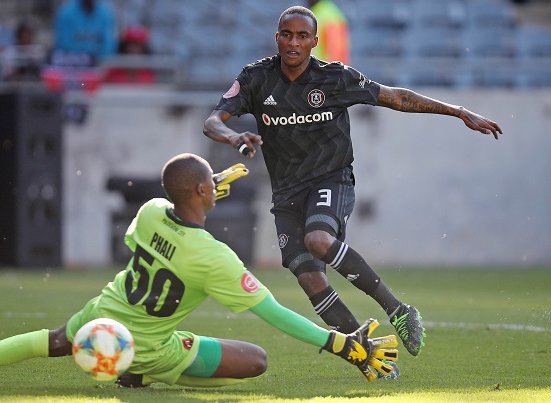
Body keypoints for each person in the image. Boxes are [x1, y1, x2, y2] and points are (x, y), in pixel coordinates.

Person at [0, 153, 399, 389]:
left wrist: (206, 183)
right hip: (149, 343)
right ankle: (139, 367)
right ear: (204, 194)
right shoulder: (215, 257)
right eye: (209, 186)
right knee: (256, 361)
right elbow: (273, 313)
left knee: (50, 340)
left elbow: (174, 204)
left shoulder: (152, 210)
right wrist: (339, 342)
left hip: (105, 312)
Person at [203, 6, 503, 358]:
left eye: (302, 36)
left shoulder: (334, 78)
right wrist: (234, 137)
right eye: (287, 34)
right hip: (286, 192)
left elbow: (396, 97)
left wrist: (459, 111)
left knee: (318, 239)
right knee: (310, 278)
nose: (294, 42)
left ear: (315, 41)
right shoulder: (256, 78)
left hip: (331, 178)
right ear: (277, 38)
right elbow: (213, 120)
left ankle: (398, 311)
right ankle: (367, 353)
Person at [52, 0, 117, 66]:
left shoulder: (106, 14)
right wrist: (85, 58)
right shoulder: (66, 13)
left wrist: (98, 59)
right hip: (71, 65)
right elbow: (63, 44)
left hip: (100, 65)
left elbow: (109, 45)